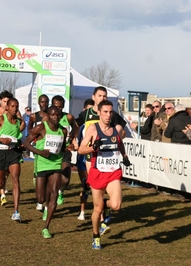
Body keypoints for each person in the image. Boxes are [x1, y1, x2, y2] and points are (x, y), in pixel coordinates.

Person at [78, 100, 131, 250]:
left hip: (113, 172)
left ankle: (107, 205)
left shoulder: (117, 128)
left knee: (117, 205)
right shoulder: (93, 129)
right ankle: (96, 235)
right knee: (97, 209)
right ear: (99, 113)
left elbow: (119, 143)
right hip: (98, 172)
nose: (108, 115)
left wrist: (124, 156)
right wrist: (93, 147)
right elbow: (81, 149)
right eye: (105, 112)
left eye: (110, 112)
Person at [76, 86, 126, 226]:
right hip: (90, 156)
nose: (102, 98)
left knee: (104, 194)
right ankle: (98, 217)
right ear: (94, 97)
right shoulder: (86, 114)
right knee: (95, 189)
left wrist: (116, 140)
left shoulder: (111, 114)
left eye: (105, 96)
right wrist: (74, 139)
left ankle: (102, 220)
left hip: (108, 160)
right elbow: (76, 126)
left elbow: (122, 131)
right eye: (100, 96)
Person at [24, 106, 68, 238]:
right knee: (41, 198)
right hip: (42, 164)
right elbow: (26, 143)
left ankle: (46, 227)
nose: (55, 117)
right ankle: (43, 198)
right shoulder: (41, 128)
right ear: (47, 116)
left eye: (57, 115)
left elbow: (63, 147)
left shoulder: (63, 131)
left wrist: (69, 148)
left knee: (54, 193)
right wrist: (40, 152)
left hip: (55, 164)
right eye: (52, 115)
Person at [0, 98, 26, 221]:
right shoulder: (1, 120)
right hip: (0, 153)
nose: (14, 108)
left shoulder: (19, 122)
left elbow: (16, 137)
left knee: (15, 180)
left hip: (14, 153)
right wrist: (1, 140)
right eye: (12, 106)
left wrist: (20, 144)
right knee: (1, 183)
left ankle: (16, 211)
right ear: (7, 107)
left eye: (16, 106)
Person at [49, 95, 78, 206]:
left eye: (60, 107)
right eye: (56, 106)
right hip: (52, 151)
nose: (58, 109)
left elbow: (76, 126)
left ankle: (60, 191)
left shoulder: (69, 117)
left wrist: (73, 137)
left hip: (65, 150)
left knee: (65, 179)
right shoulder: (48, 118)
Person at [28, 94, 50, 211]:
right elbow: (29, 128)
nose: (44, 104)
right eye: (42, 102)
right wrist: (33, 135)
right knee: (38, 173)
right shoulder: (33, 116)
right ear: (39, 103)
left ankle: (42, 201)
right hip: (38, 146)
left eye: (46, 102)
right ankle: (39, 201)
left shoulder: (50, 116)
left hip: (48, 147)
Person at [76, 99, 94, 220]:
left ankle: (99, 212)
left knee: (96, 186)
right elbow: (75, 136)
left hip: (95, 159)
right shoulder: (81, 126)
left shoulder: (98, 126)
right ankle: (82, 211)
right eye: (88, 110)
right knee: (86, 186)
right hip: (82, 159)